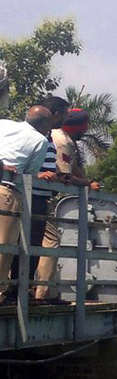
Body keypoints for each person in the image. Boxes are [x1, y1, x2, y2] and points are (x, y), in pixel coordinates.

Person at [37, 108, 101, 304]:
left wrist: (86, 180)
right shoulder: (63, 141)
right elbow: (65, 177)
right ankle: (43, 293)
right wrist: (87, 184)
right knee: (52, 242)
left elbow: (72, 167)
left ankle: (37, 290)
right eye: (85, 126)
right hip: (41, 197)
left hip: (35, 195)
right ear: (78, 127)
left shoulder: (56, 135)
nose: (86, 130)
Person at [0, 105, 52, 305]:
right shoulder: (40, 140)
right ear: (44, 125)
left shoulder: (3, 124)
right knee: (4, 247)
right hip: (8, 192)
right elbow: (28, 176)